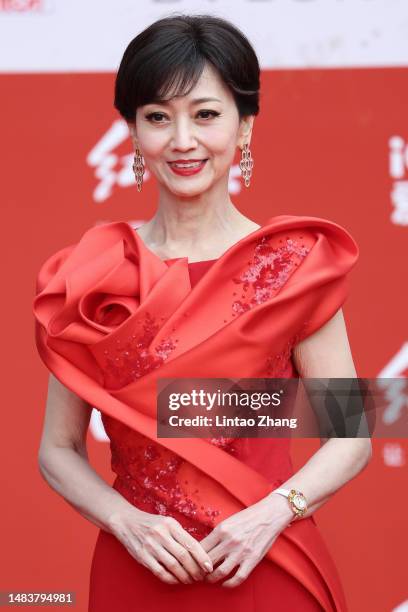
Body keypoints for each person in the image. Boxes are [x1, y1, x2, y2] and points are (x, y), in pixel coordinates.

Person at [33, 14, 372, 612]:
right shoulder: (92, 272)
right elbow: (57, 449)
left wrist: (269, 516)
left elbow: (351, 436)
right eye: (158, 117)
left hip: (265, 563)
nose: (182, 139)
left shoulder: (296, 265)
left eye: (206, 114)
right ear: (134, 134)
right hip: (135, 567)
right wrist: (125, 521)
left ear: (245, 127)